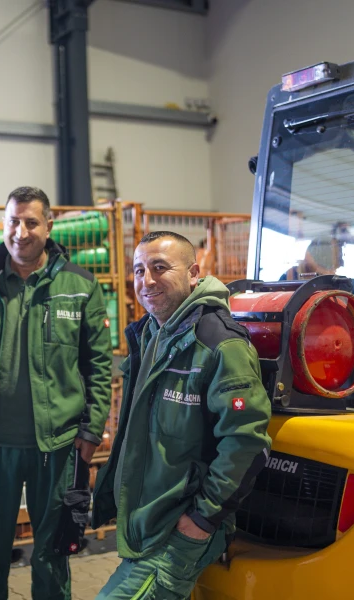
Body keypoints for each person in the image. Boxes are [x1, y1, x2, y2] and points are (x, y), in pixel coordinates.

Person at [0, 186, 112, 600]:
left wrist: (90, 434)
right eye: (13, 221)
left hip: (56, 445)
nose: (21, 232)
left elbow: (98, 366)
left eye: (31, 222)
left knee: (53, 554)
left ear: (49, 226)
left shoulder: (81, 287)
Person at [92, 231, 271, 600]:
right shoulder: (149, 335)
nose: (147, 280)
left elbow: (247, 442)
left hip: (180, 527)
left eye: (160, 267)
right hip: (148, 521)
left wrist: (202, 519)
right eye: (139, 270)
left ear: (193, 273)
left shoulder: (220, 343)